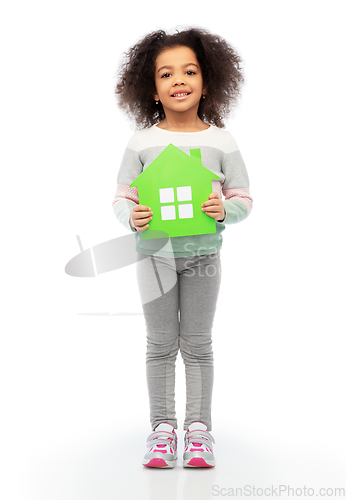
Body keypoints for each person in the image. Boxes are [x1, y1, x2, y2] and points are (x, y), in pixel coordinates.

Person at [112, 27, 253, 468]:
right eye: (166, 74)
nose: (179, 80)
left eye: (189, 71)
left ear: (207, 82)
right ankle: (161, 430)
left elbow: (243, 199)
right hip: (153, 257)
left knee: (197, 344)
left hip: (204, 258)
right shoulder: (141, 142)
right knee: (159, 344)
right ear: (151, 89)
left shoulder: (222, 142)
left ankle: (198, 432)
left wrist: (223, 209)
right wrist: (128, 217)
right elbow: (122, 198)